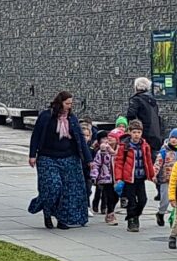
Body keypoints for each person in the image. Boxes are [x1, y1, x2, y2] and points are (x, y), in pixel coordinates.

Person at [26, 93, 89, 229]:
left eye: (71, 104)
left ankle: (62, 219)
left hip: (68, 157)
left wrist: (88, 159)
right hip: (47, 157)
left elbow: (80, 139)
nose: (69, 106)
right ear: (60, 103)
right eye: (67, 103)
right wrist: (32, 155)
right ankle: (46, 212)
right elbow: (36, 135)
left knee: (66, 190)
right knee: (53, 187)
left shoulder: (72, 118)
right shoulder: (46, 116)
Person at [113, 118, 155, 233]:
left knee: (143, 200)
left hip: (140, 177)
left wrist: (152, 175)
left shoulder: (145, 145)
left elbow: (148, 161)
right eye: (134, 132)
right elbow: (119, 162)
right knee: (131, 201)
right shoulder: (124, 146)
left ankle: (134, 215)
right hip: (129, 178)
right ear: (130, 132)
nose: (136, 135)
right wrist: (118, 178)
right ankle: (132, 221)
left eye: (139, 132)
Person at [89, 126, 119, 225]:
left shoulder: (119, 151)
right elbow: (96, 164)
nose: (108, 140)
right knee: (109, 196)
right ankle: (110, 214)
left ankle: (110, 210)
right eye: (106, 138)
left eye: (111, 138)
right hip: (106, 177)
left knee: (116, 196)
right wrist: (94, 176)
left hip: (117, 177)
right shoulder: (101, 151)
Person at [126, 76, 166, 144]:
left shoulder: (136, 99)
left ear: (136, 87)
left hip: (143, 135)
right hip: (155, 135)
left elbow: (131, 115)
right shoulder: (153, 100)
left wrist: (133, 129)